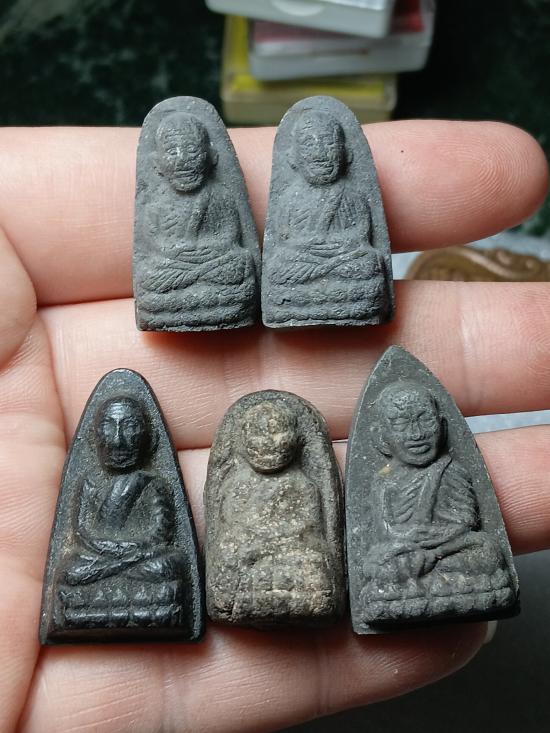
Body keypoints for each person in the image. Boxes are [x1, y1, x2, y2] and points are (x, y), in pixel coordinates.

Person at [0, 119, 548, 732]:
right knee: (103, 572)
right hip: (143, 560)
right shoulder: (141, 484)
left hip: (312, 288)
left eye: (327, 147)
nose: (183, 159)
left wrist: (412, 551)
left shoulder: (362, 477)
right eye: (172, 151)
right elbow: (132, 540)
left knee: (283, 269)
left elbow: (344, 535)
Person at [361, 382, 512, 621]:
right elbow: (384, 532)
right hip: (406, 552)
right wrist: (408, 538)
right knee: (380, 567)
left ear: (442, 426)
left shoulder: (450, 470)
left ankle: (423, 589)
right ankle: (438, 587)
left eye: (425, 420)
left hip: (448, 550)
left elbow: (466, 522)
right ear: (381, 436)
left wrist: (438, 545)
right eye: (401, 424)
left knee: (487, 548)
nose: (417, 434)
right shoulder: (384, 481)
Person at [60, 396, 184, 621]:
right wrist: (117, 552)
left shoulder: (152, 483)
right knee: (70, 569)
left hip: (137, 558)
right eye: (108, 427)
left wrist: (125, 552)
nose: (118, 440)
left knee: (169, 566)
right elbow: (81, 531)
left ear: (147, 437)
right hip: (103, 557)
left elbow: (161, 535)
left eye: (130, 427)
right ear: (95, 436)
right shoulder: (89, 481)